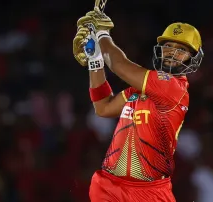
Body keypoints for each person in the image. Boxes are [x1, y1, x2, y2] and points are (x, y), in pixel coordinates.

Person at [72, 10, 204, 202]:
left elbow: (119, 65)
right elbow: (103, 107)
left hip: (149, 193)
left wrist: (102, 35)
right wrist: (95, 61)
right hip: (109, 187)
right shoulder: (139, 91)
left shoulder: (173, 87)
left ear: (193, 59)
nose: (172, 53)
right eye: (168, 46)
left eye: (182, 50)